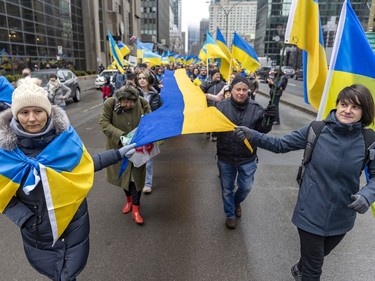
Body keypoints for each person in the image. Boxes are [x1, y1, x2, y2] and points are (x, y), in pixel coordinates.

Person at [0, 77, 136, 280]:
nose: (31, 119)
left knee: (70, 273)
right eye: (24, 112)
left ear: (47, 111)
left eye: (37, 111)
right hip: (39, 232)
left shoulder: (65, 138)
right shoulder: (5, 152)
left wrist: (118, 153)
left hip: (75, 224)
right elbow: (3, 195)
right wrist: (26, 220)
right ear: (16, 114)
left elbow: (87, 164)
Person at [234, 84, 375, 281]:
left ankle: (301, 267)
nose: (347, 110)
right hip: (310, 212)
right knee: (313, 270)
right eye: (344, 104)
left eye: (355, 107)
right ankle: (305, 270)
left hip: (342, 217)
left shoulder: (369, 140)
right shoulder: (316, 130)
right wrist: (252, 134)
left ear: (365, 111)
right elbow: (280, 144)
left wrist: (367, 195)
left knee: (315, 257)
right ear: (337, 105)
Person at [215, 75, 276, 229]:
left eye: (244, 90)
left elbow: (262, 131)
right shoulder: (220, 107)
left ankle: (236, 202)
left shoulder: (256, 109)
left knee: (246, 187)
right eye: (238, 89)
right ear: (232, 90)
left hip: (247, 158)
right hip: (225, 157)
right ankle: (230, 215)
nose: (241, 93)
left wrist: (268, 120)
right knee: (227, 189)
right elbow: (213, 128)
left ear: (248, 91)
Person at [99, 85, 151, 224]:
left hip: (138, 147)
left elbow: (150, 120)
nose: (129, 105)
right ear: (119, 100)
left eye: (131, 102)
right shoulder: (110, 103)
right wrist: (120, 136)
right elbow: (103, 122)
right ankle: (128, 200)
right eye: (125, 102)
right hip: (117, 147)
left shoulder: (142, 102)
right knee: (123, 176)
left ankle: (136, 208)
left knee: (137, 179)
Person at [135, 70, 163, 194]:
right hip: (136, 130)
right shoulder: (133, 94)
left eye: (144, 78)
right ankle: (136, 181)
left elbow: (161, 113)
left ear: (148, 80)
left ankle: (147, 183)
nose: (141, 80)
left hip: (150, 130)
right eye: (139, 78)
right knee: (135, 156)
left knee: (148, 158)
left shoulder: (156, 95)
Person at [200, 69, 226, 142]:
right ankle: (208, 132)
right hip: (209, 105)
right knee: (209, 120)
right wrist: (206, 85)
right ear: (212, 75)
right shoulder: (206, 83)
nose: (218, 75)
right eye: (216, 74)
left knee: (216, 121)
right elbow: (200, 90)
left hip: (219, 106)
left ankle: (214, 135)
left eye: (218, 74)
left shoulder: (223, 84)